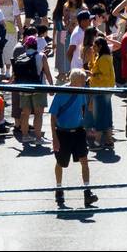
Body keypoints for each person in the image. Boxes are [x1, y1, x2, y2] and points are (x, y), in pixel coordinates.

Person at [49, 68, 98, 210]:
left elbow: (85, 109)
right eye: (83, 81)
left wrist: (88, 126)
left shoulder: (82, 92)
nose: (85, 83)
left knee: (84, 161)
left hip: (78, 132)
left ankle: (87, 192)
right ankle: (59, 189)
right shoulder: (61, 93)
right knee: (61, 162)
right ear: (75, 81)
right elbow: (52, 116)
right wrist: (54, 138)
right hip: (63, 133)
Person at [12, 33, 53, 146]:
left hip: (24, 89)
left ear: (26, 46)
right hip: (38, 88)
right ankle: (38, 138)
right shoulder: (41, 56)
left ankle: (25, 136)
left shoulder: (21, 57)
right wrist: (51, 88)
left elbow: (15, 75)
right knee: (38, 114)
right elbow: (48, 73)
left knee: (25, 113)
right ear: (36, 45)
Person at [85, 34, 116, 149]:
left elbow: (104, 76)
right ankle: (109, 140)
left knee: (99, 115)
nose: (93, 48)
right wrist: (92, 57)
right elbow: (94, 68)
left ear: (100, 46)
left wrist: (91, 74)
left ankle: (97, 141)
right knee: (106, 115)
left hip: (101, 89)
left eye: (94, 46)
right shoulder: (101, 57)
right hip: (103, 89)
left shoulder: (104, 59)